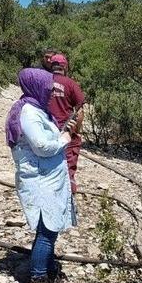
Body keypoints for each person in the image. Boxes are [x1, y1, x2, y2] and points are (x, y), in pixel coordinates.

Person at [6, 68, 78, 283]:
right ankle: (37, 280)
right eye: (47, 89)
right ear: (36, 87)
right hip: (40, 179)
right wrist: (65, 139)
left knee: (50, 229)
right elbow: (42, 146)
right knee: (46, 231)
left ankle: (50, 273)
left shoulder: (38, 110)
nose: (50, 93)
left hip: (49, 179)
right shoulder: (29, 112)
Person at [48, 53, 86, 193]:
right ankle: (69, 191)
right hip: (66, 130)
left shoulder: (43, 81)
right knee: (69, 165)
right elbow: (79, 110)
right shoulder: (71, 84)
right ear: (65, 67)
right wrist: (76, 130)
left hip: (45, 130)